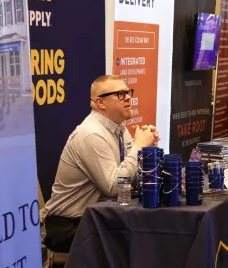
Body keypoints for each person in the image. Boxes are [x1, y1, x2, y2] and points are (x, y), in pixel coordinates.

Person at [43, 75, 160, 253]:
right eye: (120, 94)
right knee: (138, 241)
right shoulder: (91, 134)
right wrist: (138, 147)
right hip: (67, 226)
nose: (128, 97)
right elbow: (114, 187)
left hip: (98, 217)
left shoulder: (119, 129)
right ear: (101, 103)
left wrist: (146, 150)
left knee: (152, 227)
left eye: (128, 92)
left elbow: (128, 181)